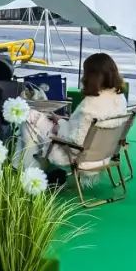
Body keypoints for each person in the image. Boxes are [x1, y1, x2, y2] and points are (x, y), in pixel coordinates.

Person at [20, 53, 129, 187]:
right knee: (39, 119)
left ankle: (32, 175)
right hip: (104, 155)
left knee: (29, 118)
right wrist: (61, 121)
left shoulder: (90, 105)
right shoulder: (120, 98)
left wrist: (59, 125)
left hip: (78, 156)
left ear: (92, 76)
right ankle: (32, 171)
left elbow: (75, 144)